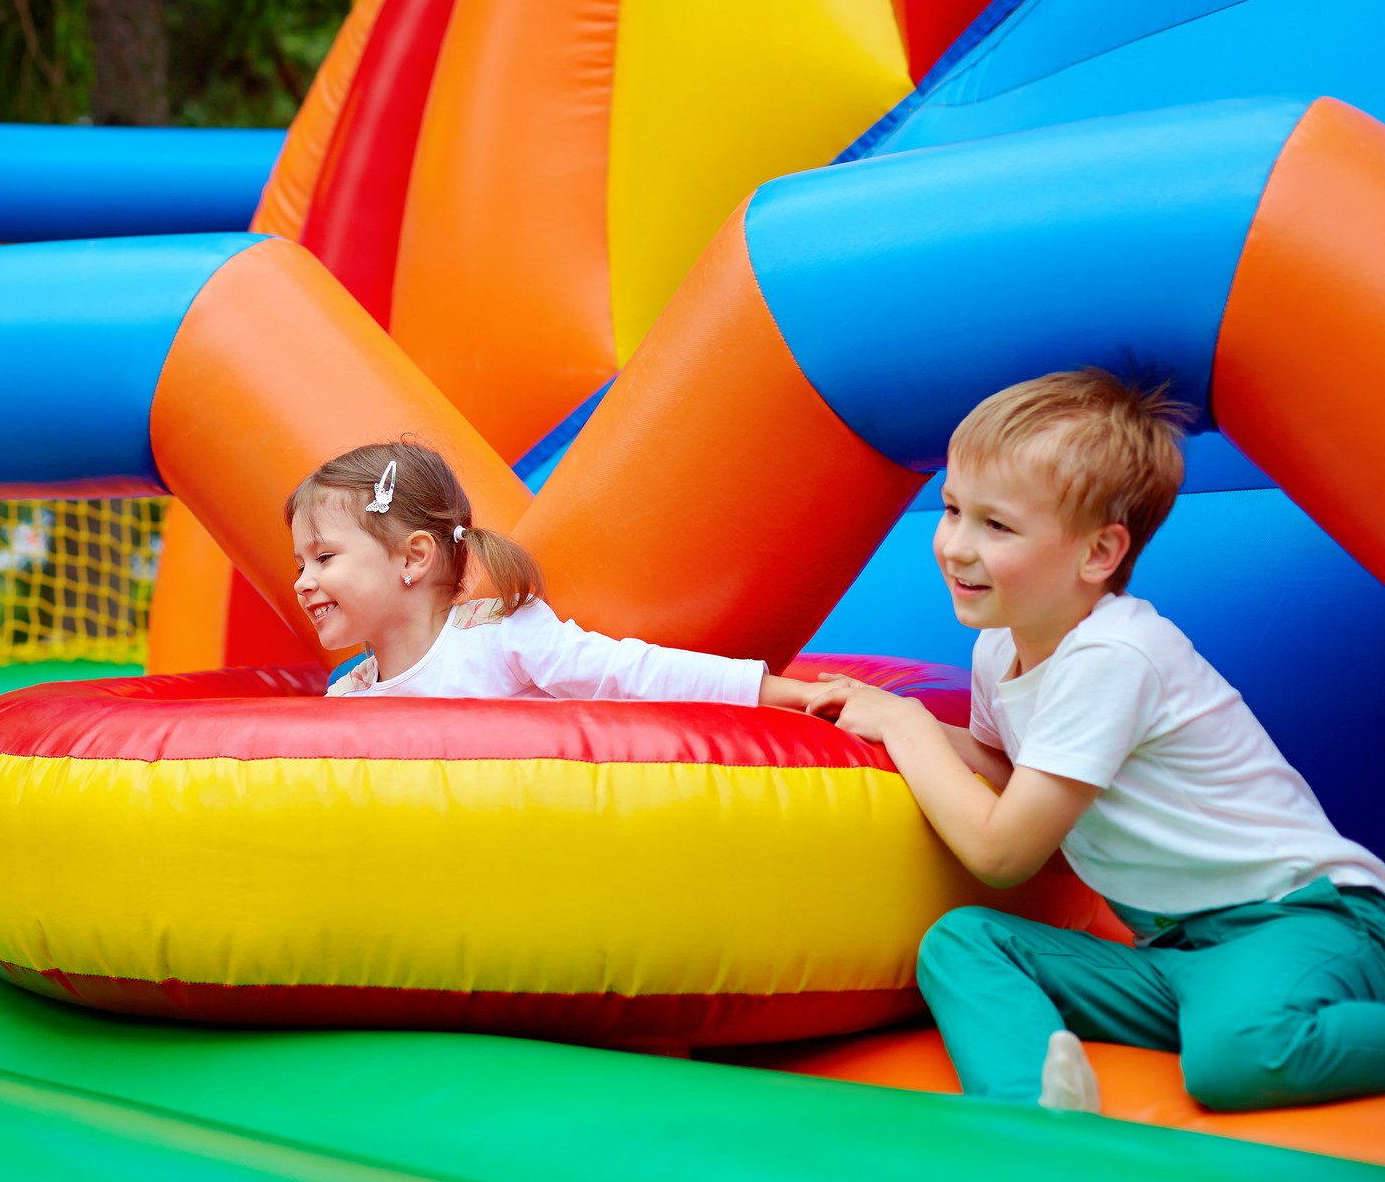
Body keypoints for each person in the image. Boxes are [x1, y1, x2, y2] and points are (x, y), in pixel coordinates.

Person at [806, 369, 1385, 1114]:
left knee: (1240, 1057)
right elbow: (1015, 770)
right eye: (951, 509)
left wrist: (907, 725)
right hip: (1175, 957)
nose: (954, 546)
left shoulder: (1113, 656)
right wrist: (874, 709)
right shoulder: (1001, 646)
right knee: (964, 942)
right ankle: (1039, 1113)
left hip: (1296, 920)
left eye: (997, 525)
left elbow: (1006, 853)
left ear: (1098, 554)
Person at [285, 440, 827, 708]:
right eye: (300, 564)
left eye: (324, 558)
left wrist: (784, 695)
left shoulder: (500, 639)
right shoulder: (348, 699)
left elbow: (632, 674)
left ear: (413, 558)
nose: (302, 581)